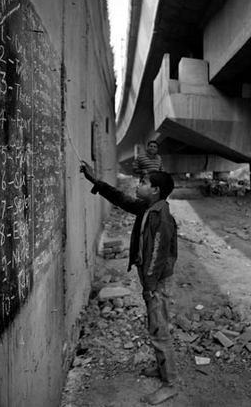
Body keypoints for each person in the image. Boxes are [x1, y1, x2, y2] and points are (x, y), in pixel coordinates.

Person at [80, 161, 178, 404]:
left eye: (143, 183)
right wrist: (94, 181)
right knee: (156, 327)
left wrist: (149, 288)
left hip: (157, 282)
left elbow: (157, 257)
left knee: (160, 332)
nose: (138, 185)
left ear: (155, 190)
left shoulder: (162, 219)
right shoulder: (147, 208)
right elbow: (121, 199)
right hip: (152, 280)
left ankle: (170, 384)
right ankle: (162, 368)